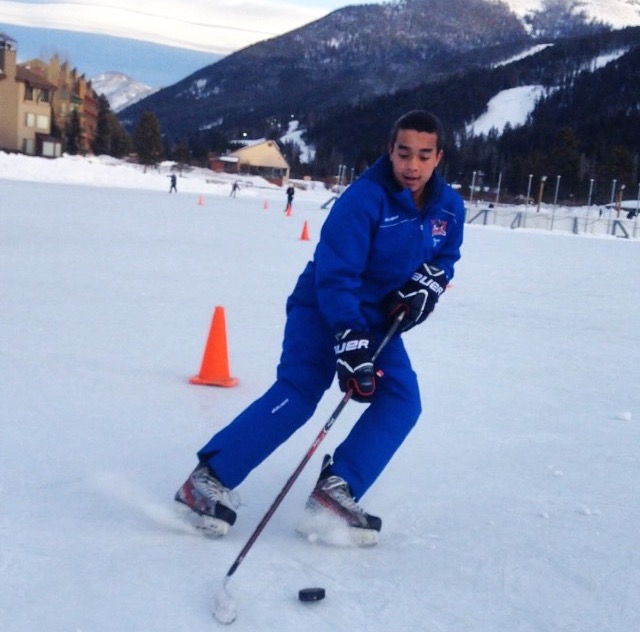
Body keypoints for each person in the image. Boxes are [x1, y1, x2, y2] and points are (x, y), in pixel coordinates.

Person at [175, 110, 465, 546]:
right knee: (300, 393)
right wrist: (349, 338)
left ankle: (337, 489)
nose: (412, 165)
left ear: (438, 157)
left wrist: (427, 286)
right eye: (404, 153)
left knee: (403, 402)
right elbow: (335, 275)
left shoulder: (448, 207)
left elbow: (445, 258)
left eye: (424, 156)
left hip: (380, 317)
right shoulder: (364, 200)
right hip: (323, 306)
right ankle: (207, 479)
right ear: (390, 150)